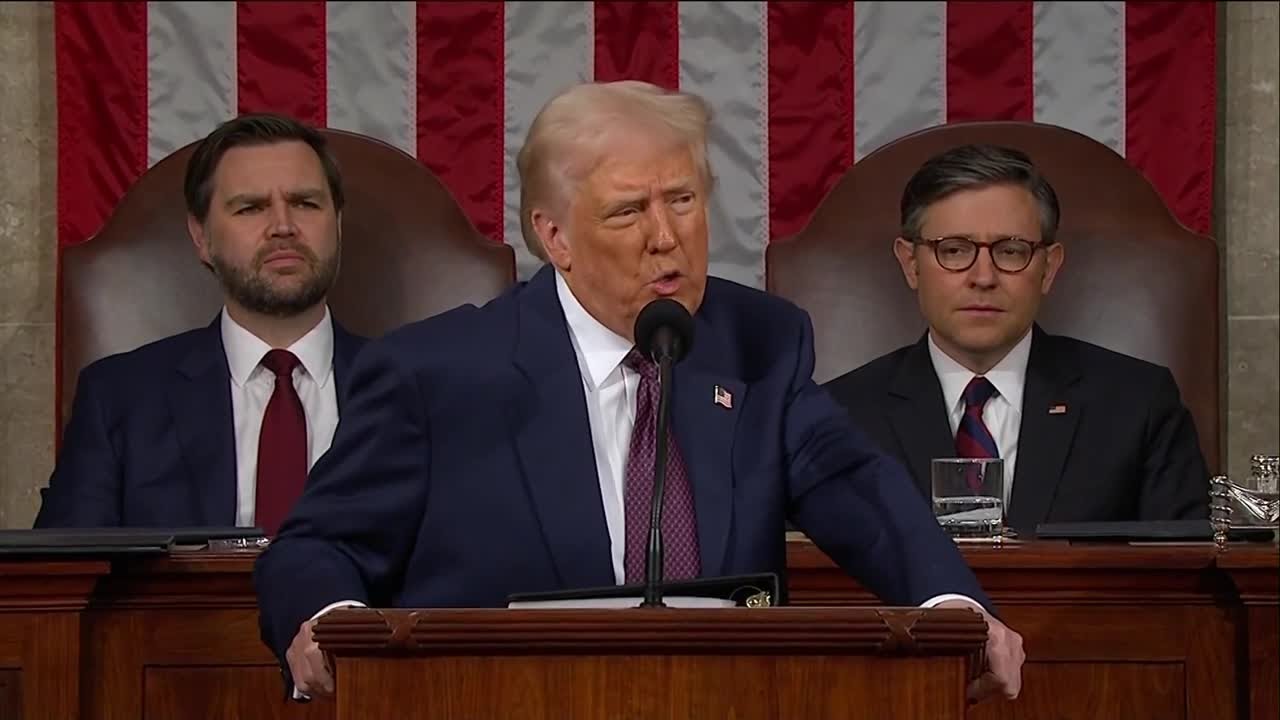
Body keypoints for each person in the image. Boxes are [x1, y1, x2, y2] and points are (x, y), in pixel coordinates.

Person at [253, 81, 1024, 703]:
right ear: (553, 237)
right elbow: (316, 545)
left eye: (683, 200)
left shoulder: (760, 343)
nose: (667, 236)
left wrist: (951, 607)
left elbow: (857, 489)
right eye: (629, 210)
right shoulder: (438, 372)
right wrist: (333, 629)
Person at [824, 144, 1211, 537]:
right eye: (954, 250)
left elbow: (1186, 578)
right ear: (910, 264)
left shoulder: (1137, 404)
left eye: (1011, 251)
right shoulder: (839, 416)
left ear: (1048, 268)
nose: (984, 277)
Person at [34, 113, 367, 535]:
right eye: (251, 207)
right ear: (201, 237)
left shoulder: (415, 391)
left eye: (305, 203)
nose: (283, 227)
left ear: (336, 223)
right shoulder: (118, 399)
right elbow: (61, 587)